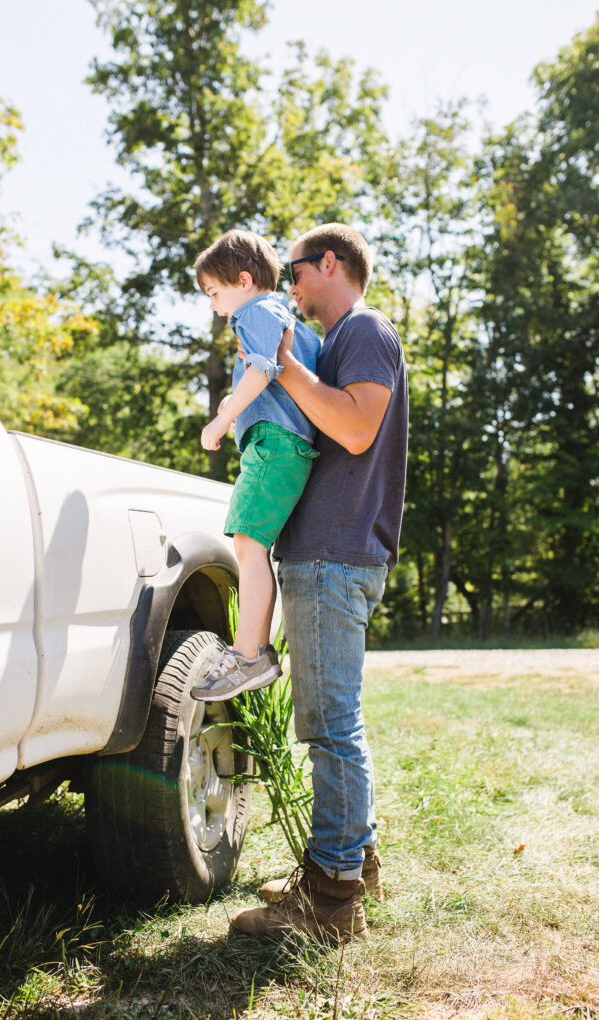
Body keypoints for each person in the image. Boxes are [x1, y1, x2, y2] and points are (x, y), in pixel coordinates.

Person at [230, 223, 408, 941]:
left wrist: (282, 367)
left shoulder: (363, 329)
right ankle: (350, 863)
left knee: (329, 727)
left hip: (335, 557)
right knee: (339, 721)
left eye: (297, 272)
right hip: (332, 553)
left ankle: (330, 900)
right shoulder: (339, 342)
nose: (290, 287)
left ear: (328, 263)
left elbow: (359, 428)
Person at [190, 229, 321, 702]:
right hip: (280, 444)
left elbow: (264, 368)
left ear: (243, 280)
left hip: (275, 445)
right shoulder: (277, 316)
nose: (213, 305)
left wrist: (223, 417)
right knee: (251, 543)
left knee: (248, 541)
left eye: (214, 292)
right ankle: (253, 651)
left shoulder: (258, 312)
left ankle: (249, 654)